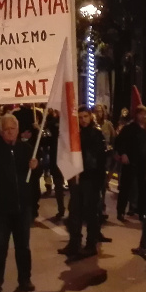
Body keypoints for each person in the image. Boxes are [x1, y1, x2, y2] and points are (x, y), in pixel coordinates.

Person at [0, 114, 38, 292]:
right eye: (6, 129)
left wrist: (36, 168)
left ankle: (25, 279)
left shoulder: (26, 149)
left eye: (13, 128)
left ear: (18, 130)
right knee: (0, 246)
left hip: (23, 207)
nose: (10, 132)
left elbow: (34, 178)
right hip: (2, 208)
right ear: (1, 132)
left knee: (23, 247)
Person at [59, 107, 107, 261]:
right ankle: (74, 243)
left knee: (90, 212)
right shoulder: (75, 134)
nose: (83, 120)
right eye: (80, 117)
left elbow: (99, 159)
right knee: (74, 211)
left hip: (90, 178)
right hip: (77, 178)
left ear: (90, 116)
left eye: (85, 116)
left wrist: (99, 180)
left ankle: (91, 244)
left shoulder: (96, 134)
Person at [115, 106, 146, 221]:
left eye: (145, 114)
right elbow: (119, 141)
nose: (144, 116)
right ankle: (121, 211)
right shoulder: (129, 128)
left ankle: (141, 212)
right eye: (141, 114)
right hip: (130, 161)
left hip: (143, 162)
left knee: (143, 188)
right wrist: (123, 153)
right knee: (126, 187)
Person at [31, 109, 67, 221]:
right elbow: (45, 140)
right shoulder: (52, 123)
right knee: (58, 185)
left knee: (74, 187)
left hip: (68, 158)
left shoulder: (71, 123)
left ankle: (74, 211)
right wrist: (38, 130)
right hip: (56, 158)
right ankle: (61, 209)